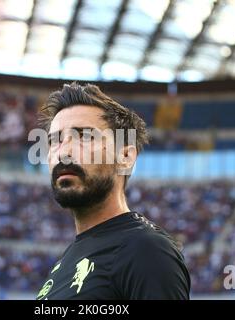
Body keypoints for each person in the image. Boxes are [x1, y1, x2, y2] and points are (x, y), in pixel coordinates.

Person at [36, 82, 190, 300]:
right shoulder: (64, 262)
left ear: (126, 157)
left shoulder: (146, 250)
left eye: (85, 136)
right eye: (54, 141)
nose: (65, 152)